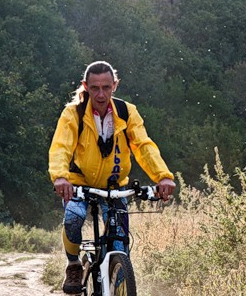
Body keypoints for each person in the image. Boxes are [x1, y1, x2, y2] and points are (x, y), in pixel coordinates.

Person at [48, 61, 176, 294]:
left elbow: (143, 146)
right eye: (94, 88)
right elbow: (60, 147)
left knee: (119, 245)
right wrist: (60, 177)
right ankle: (74, 264)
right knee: (74, 217)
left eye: (106, 87)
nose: (100, 94)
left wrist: (162, 177)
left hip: (115, 187)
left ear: (115, 86)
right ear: (85, 86)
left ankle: (116, 280)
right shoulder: (73, 113)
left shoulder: (127, 112)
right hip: (79, 185)